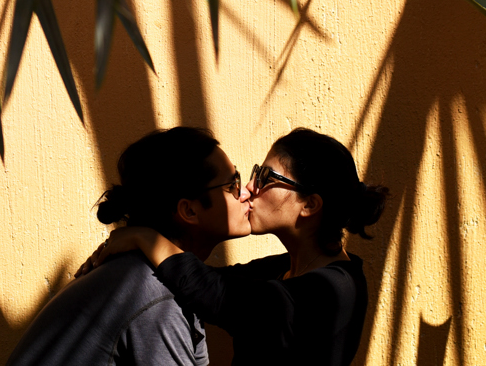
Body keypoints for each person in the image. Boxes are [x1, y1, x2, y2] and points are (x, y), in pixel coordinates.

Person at [86, 127, 388, 366]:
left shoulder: (331, 291)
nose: (248, 189)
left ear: (309, 204)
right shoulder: (284, 269)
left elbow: (214, 292)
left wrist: (142, 237)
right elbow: (205, 279)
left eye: (265, 178)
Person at [5, 126, 251, 366]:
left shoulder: (176, 281)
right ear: (188, 210)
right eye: (232, 186)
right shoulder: (156, 295)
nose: (245, 194)